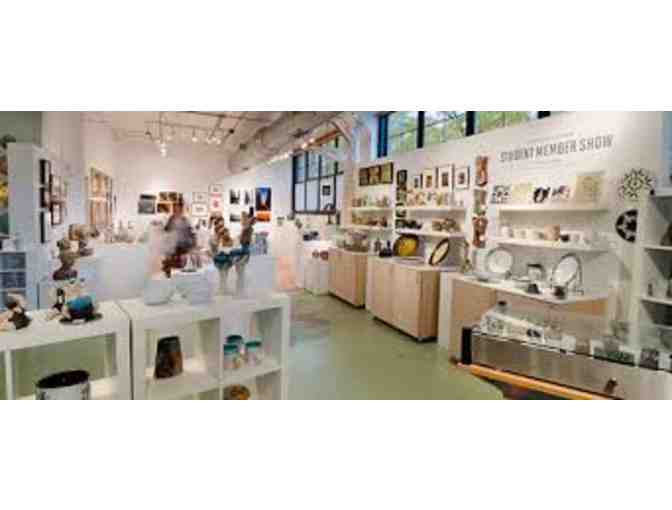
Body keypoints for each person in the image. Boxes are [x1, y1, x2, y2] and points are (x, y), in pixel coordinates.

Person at [163, 200, 196, 273]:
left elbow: (192, 233)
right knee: (172, 267)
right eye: (175, 208)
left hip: (184, 247)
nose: (176, 210)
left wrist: (193, 246)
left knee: (183, 267)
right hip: (173, 248)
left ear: (181, 209)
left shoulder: (186, 220)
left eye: (178, 208)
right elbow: (166, 231)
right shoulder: (170, 219)